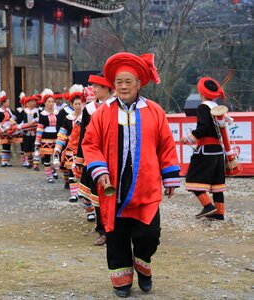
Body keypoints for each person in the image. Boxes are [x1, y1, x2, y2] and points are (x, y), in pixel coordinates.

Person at [82, 52, 180, 298]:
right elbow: (90, 143)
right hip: (113, 184)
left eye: (128, 81)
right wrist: (99, 169)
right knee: (116, 235)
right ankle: (122, 282)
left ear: (138, 84)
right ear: (113, 85)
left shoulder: (154, 111)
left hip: (145, 184)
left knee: (148, 235)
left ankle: (143, 265)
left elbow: (166, 145)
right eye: (118, 82)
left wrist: (169, 176)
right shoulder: (103, 112)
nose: (123, 86)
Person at [180, 77, 227, 220]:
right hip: (219, 150)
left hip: (206, 149)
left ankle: (208, 206)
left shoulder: (203, 107)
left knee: (192, 178)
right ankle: (219, 213)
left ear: (201, 91)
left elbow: (202, 128)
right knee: (217, 183)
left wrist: (187, 139)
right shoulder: (218, 109)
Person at [76, 73, 114, 242]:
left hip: (114, 155)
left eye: (97, 86)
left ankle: (117, 229)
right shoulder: (89, 109)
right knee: (96, 194)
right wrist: (79, 159)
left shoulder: (117, 107)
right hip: (94, 156)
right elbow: (83, 136)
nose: (93, 89)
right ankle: (103, 230)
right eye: (92, 86)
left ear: (107, 88)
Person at [54, 84, 84, 202]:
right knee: (72, 170)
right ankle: (73, 194)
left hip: (83, 149)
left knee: (82, 172)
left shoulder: (86, 117)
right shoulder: (68, 118)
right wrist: (57, 148)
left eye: (79, 103)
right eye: (75, 104)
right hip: (71, 148)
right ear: (71, 105)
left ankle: (82, 192)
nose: (78, 106)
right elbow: (62, 134)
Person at [35, 88, 58, 183]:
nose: (51, 103)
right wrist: (37, 141)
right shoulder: (42, 115)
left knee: (56, 156)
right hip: (46, 139)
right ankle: (49, 175)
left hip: (56, 138)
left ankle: (53, 170)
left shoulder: (58, 113)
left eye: (52, 101)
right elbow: (40, 129)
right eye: (49, 101)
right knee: (47, 157)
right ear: (45, 103)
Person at [0, 91, 18, 167]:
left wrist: (13, 121)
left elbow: (15, 116)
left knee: (9, 145)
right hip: (3, 130)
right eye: (7, 102)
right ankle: (3, 161)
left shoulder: (9, 111)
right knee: (4, 145)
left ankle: (7, 161)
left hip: (9, 129)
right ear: (3, 103)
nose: (8, 103)